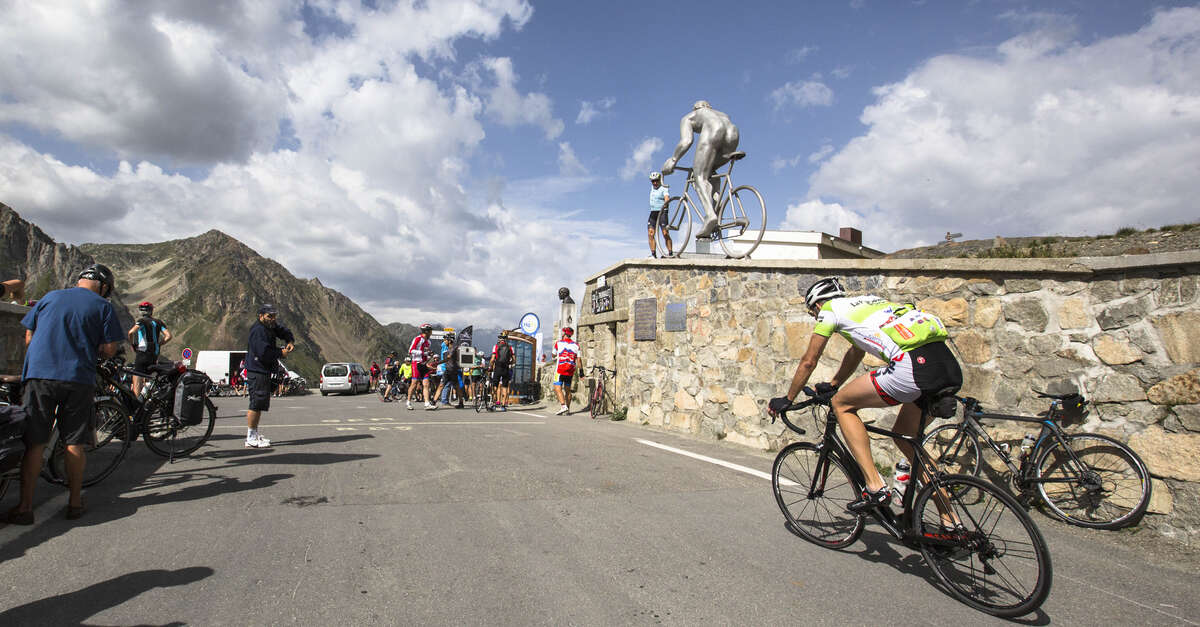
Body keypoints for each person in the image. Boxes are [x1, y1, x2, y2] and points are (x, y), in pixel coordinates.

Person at [768, 278, 962, 514]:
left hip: (911, 367)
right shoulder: (870, 303)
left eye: (812, 313)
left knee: (841, 404)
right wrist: (834, 382)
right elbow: (856, 350)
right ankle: (951, 521)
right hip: (946, 366)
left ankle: (875, 486)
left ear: (817, 305)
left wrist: (788, 399)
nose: (814, 316)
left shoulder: (828, 310)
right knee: (905, 438)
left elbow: (809, 361)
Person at [6, 264, 124, 524]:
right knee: (74, 442)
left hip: (39, 376)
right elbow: (109, 349)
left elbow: (28, 336)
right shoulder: (103, 307)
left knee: (35, 442)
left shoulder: (50, 297)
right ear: (103, 287)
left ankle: (25, 507)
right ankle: (74, 502)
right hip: (77, 378)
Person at [661, 100, 740, 238]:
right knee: (711, 173)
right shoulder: (719, 113)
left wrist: (673, 160)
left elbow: (687, 141)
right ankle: (716, 215)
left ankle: (710, 216)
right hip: (733, 134)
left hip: (714, 129)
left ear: (696, 108)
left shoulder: (690, 116)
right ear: (708, 107)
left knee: (699, 177)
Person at [244, 304, 295, 448]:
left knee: (259, 403)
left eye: (274, 316)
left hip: (263, 370)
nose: (272, 319)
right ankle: (250, 437)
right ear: (261, 316)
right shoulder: (258, 331)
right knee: (256, 403)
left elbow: (283, 331)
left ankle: (254, 434)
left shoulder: (270, 326)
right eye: (269, 316)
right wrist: (281, 353)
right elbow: (264, 353)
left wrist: (289, 340)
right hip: (257, 370)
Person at [126, 301, 172, 398]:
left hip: (142, 355)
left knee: (137, 381)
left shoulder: (141, 321)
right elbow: (168, 336)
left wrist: (133, 344)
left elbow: (131, 332)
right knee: (150, 380)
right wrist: (159, 344)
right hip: (154, 356)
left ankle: (137, 405)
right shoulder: (159, 322)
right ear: (151, 311)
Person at [552, 327, 580, 415]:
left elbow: (553, 355)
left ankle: (563, 406)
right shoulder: (576, 345)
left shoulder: (558, 343)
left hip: (560, 370)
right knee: (568, 391)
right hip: (570, 371)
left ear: (564, 334)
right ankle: (568, 410)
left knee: (557, 388)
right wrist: (581, 372)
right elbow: (579, 360)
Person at [407, 324, 436, 410]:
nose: (431, 332)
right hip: (416, 363)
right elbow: (410, 351)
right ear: (426, 331)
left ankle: (427, 404)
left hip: (424, 364)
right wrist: (423, 353)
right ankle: (408, 402)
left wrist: (429, 354)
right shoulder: (417, 339)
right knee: (414, 384)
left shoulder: (428, 342)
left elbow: (426, 353)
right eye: (430, 331)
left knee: (426, 384)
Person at [434, 332, 466, 409]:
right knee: (441, 385)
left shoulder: (454, 348)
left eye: (445, 340)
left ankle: (461, 403)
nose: (444, 341)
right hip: (447, 370)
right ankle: (433, 401)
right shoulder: (448, 348)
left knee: (457, 387)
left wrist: (436, 363)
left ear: (449, 340)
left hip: (452, 371)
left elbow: (448, 358)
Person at [646, 172, 673, 258]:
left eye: (656, 181)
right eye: (653, 181)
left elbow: (667, 198)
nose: (655, 183)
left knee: (665, 233)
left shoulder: (664, 189)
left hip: (662, 212)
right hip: (653, 212)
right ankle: (653, 254)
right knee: (650, 233)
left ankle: (670, 253)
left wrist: (666, 203)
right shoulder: (652, 188)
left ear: (659, 180)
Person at [490, 332, 515, 412]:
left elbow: (493, 359)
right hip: (506, 369)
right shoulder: (510, 347)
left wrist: (490, 366)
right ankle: (503, 406)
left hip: (497, 368)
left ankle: (494, 404)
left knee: (495, 386)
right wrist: (509, 363)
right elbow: (514, 360)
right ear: (506, 339)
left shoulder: (496, 346)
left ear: (499, 339)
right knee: (504, 386)